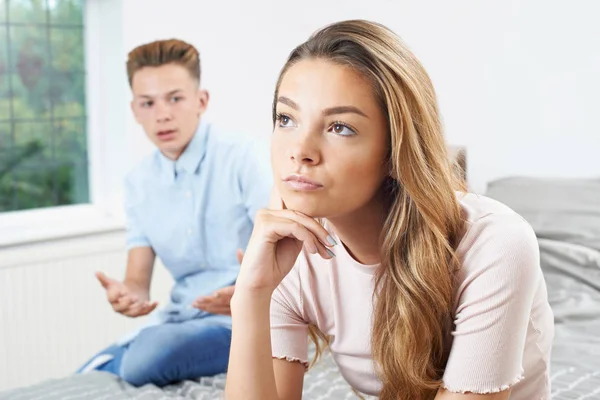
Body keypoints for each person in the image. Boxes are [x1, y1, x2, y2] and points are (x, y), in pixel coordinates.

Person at [225, 20, 554, 400]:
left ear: (395, 152)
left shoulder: (495, 243)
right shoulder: (287, 254)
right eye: (286, 119)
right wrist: (251, 294)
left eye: (340, 127)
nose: (300, 151)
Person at [78, 39, 272, 387]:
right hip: (179, 318)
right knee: (86, 372)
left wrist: (251, 293)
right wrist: (129, 297)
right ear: (135, 110)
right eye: (148, 103)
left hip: (245, 320)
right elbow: (138, 281)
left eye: (175, 98)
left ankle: (127, 358)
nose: (162, 114)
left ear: (201, 101)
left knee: (145, 359)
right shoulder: (138, 183)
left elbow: (288, 253)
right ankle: (118, 360)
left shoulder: (244, 157)